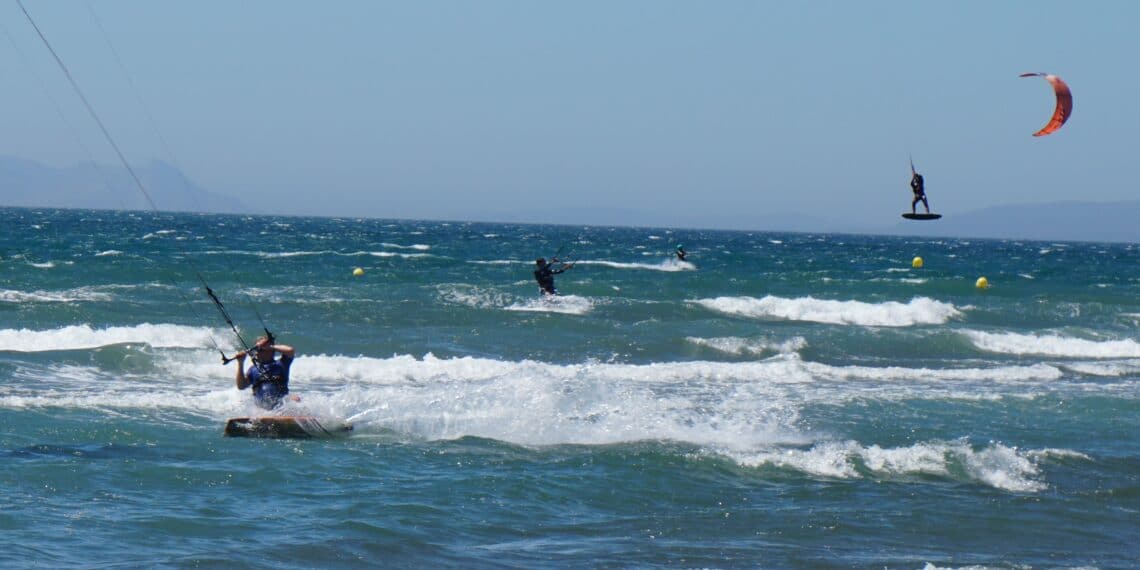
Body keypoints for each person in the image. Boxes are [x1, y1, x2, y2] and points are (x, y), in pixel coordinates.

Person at [234, 335, 297, 410]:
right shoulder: (253, 369)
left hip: (281, 407)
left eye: (260, 349)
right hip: (261, 409)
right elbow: (241, 386)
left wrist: (271, 346)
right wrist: (240, 363)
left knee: (295, 399)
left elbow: (290, 350)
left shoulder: (282, 364)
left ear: (271, 351)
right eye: (256, 349)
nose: (257, 352)